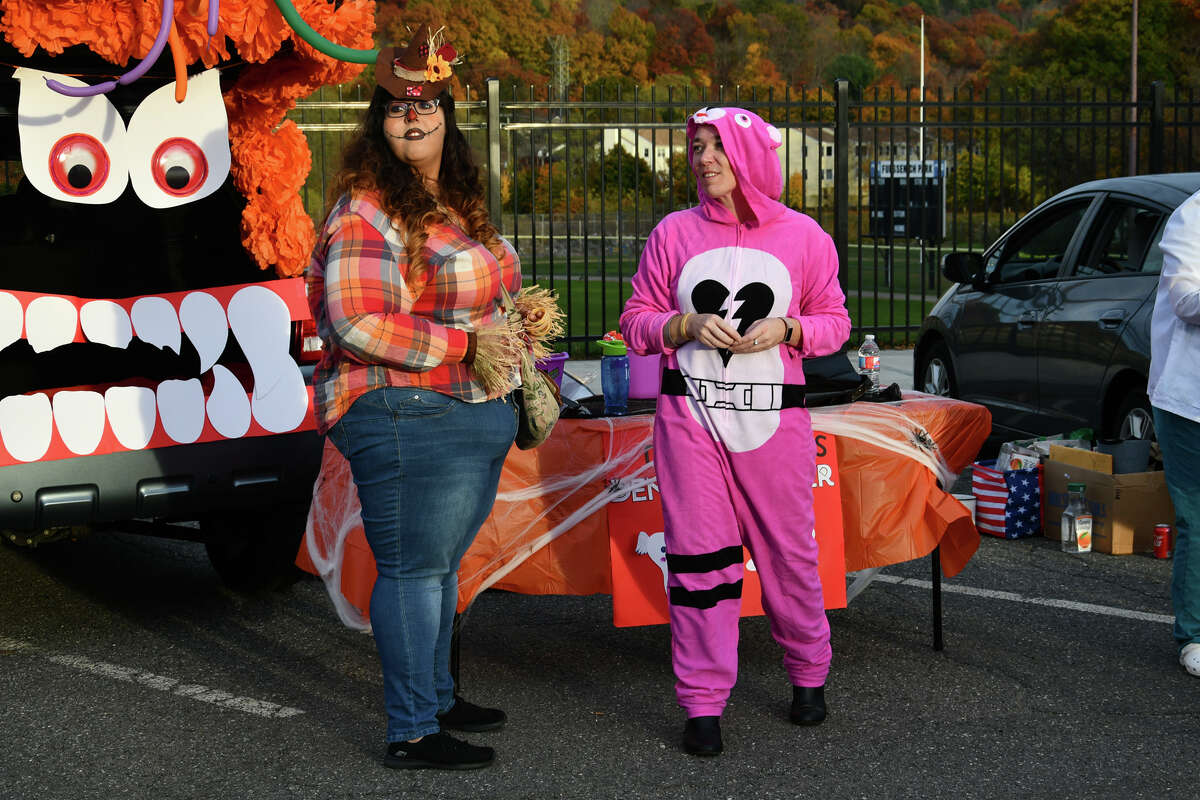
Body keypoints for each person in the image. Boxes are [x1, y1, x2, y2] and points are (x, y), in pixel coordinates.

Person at [306, 25, 529, 770]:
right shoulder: (367, 211)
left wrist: (516, 320)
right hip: (401, 407)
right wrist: (467, 344)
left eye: (428, 105)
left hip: (463, 409)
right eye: (399, 107)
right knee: (411, 569)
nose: (414, 117)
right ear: (380, 119)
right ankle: (411, 728)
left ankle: (435, 695)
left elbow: (480, 290)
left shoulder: (451, 204)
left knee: (438, 565)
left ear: (447, 116)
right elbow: (357, 320)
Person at [619, 106, 851, 755]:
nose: (704, 159)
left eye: (717, 147)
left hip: (775, 426)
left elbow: (835, 319)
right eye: (696, 148)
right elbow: (636, 316)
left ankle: (809, 674)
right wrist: (681, 326)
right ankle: (701, 705)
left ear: (748, 155)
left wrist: (792, 328)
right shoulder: (673, 232)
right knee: (699, 563)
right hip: (689, 424)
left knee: (789, 557)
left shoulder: (804, 236)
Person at [1150, 186, 1200, 678]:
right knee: (1198, 518)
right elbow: (1186, 301)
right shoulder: (1193, 217)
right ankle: (1195, 634)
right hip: (1190, 398)